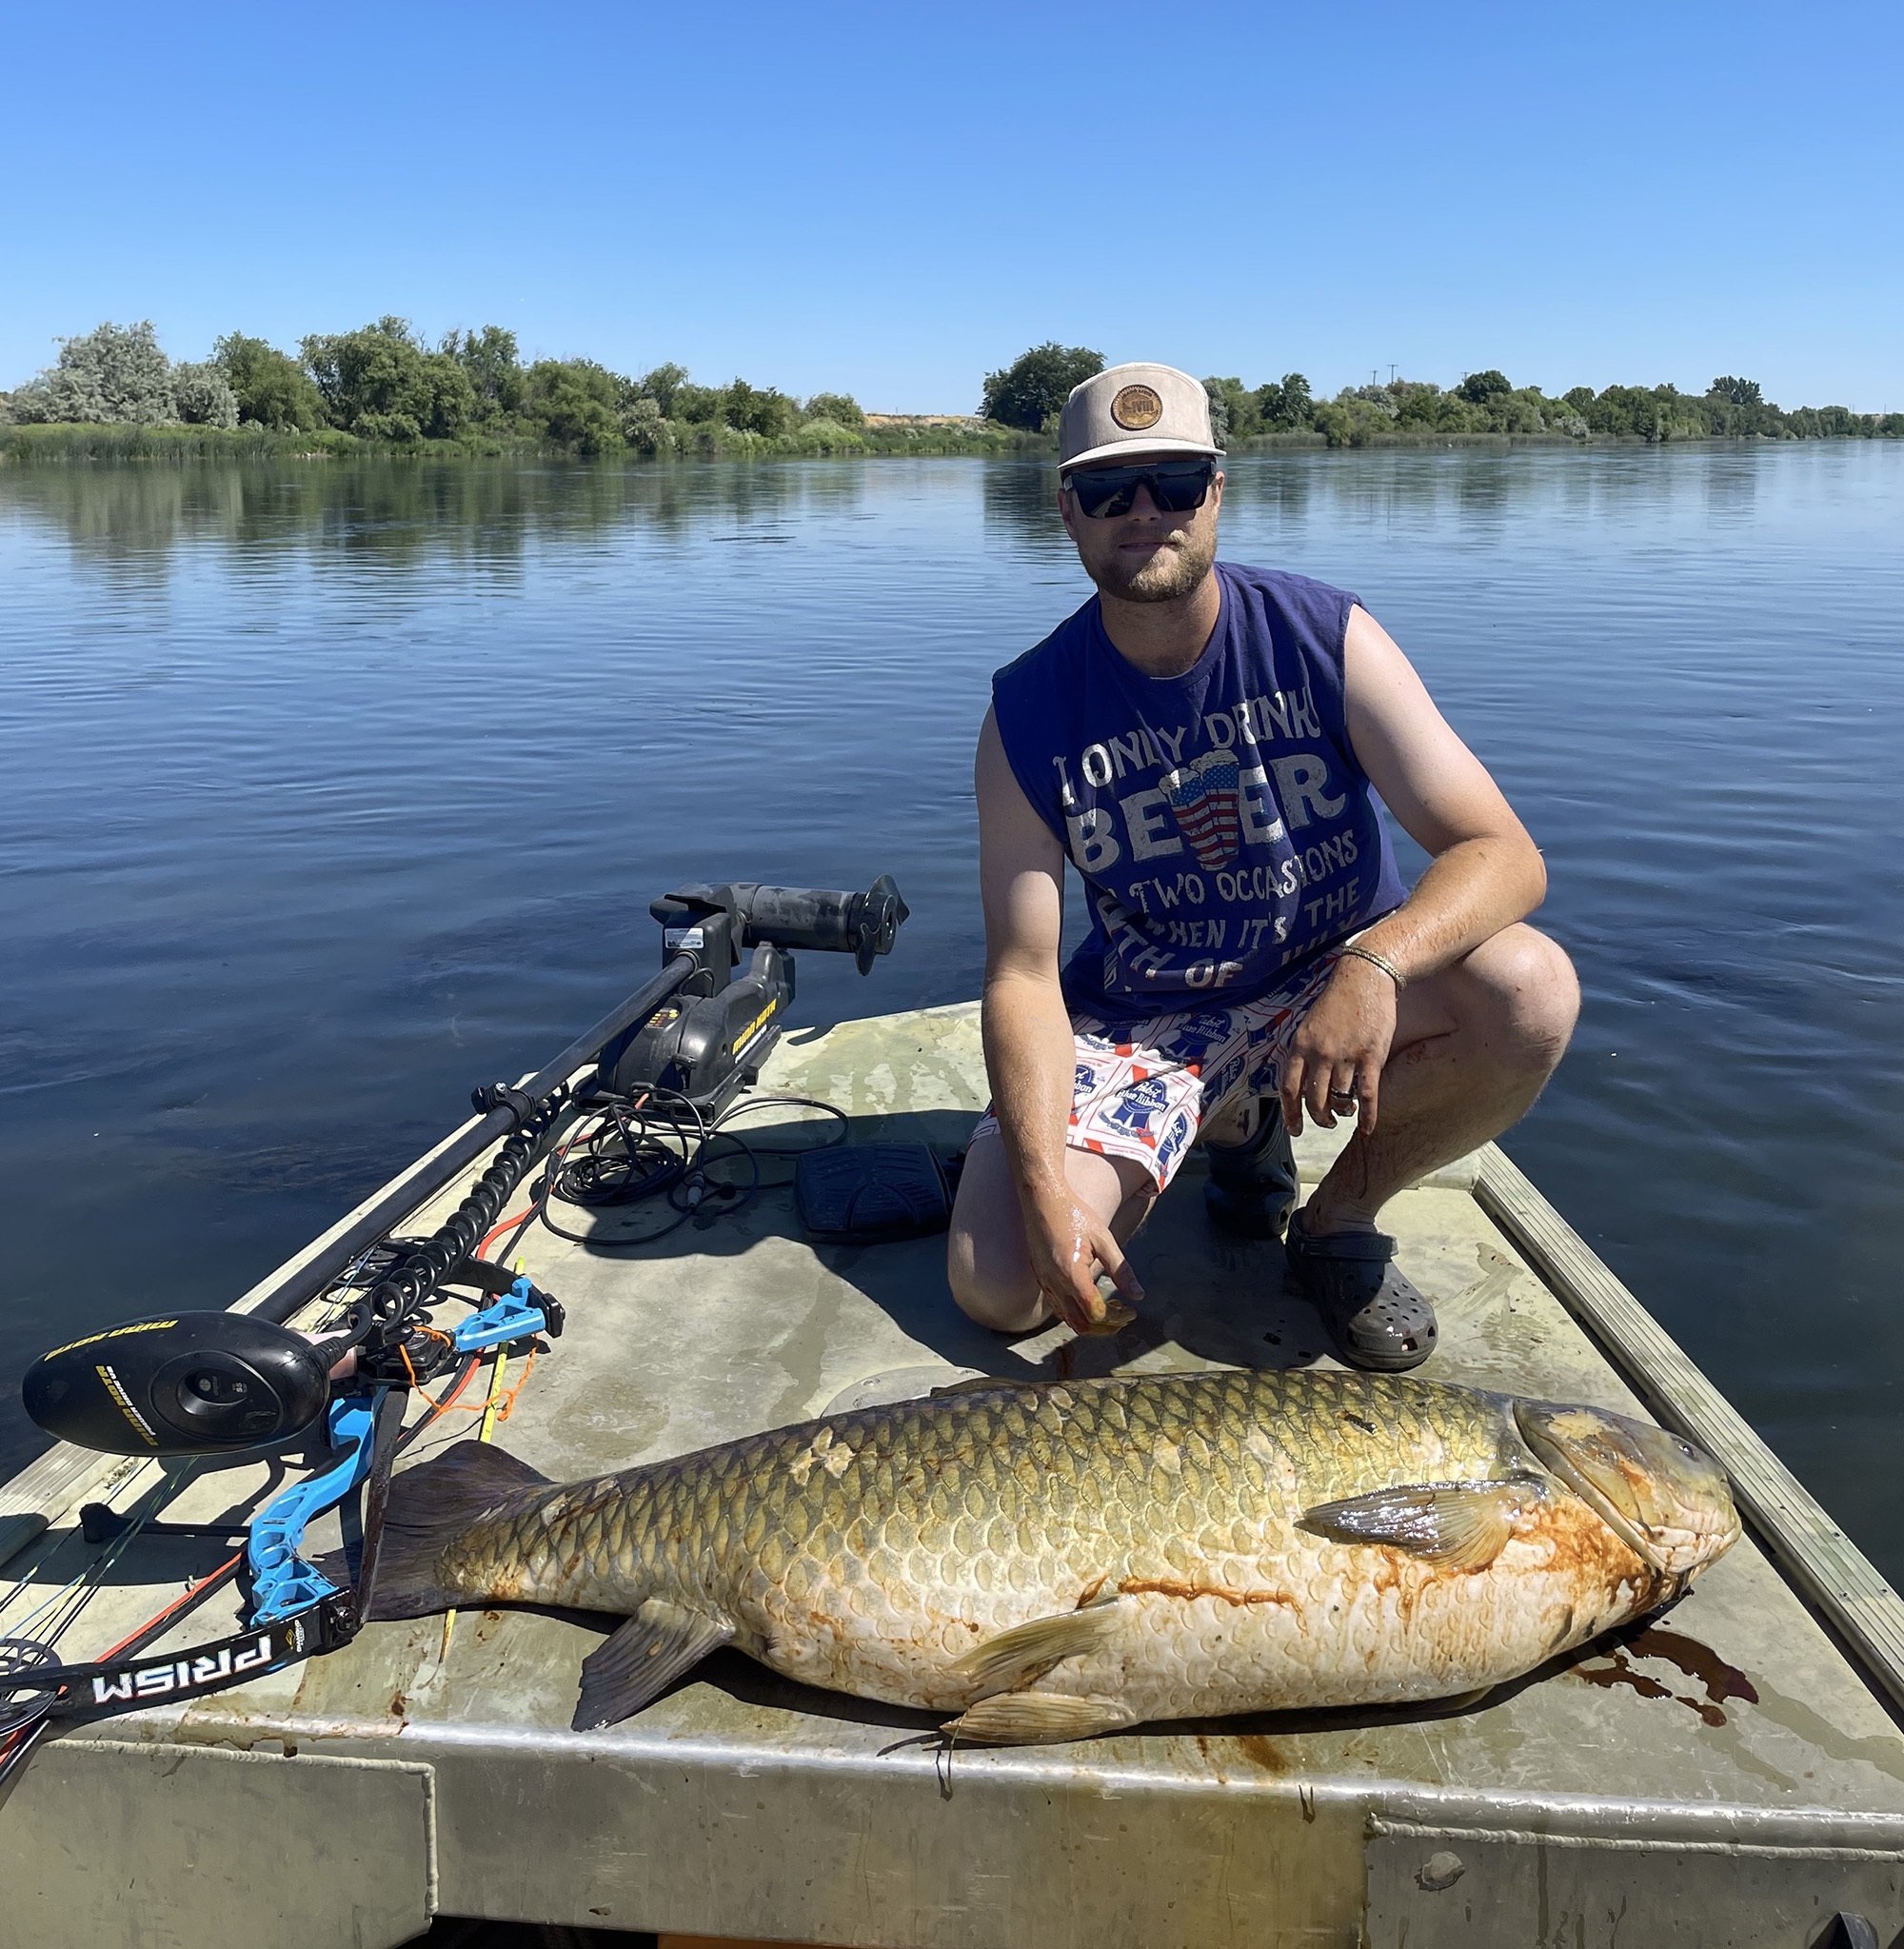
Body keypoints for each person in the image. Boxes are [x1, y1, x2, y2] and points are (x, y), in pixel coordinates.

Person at [946, 361, 1579, 1370]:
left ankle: (1335, 1221)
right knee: (999, 1284)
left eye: (1175, 482)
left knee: (1529, 987)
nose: (1144, 512)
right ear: (1067, 509)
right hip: (1147, 1014)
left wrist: (1372, 967)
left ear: (1217, 492)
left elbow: (1499, 852)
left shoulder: (1326, 637)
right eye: (1110, 489)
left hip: (1327, 978)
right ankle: (1236, 1126)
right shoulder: (1024, 714)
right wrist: (1037, 1184)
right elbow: (1022, 972)